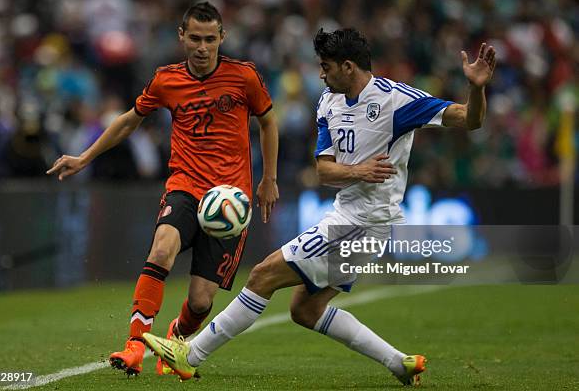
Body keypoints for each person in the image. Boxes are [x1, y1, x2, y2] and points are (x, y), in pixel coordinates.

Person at [143, 27, 496, 386]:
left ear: (347, 66)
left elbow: (471, 119)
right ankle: (398, 362)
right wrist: (358, 170)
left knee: (263, 275)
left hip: (365, 223)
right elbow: (324, 171)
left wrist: (477, 87)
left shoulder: (397, 100)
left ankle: (190, 354)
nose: (321, 74)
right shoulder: (329, 102)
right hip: (347, 215)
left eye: (326, 66)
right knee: (305, 310)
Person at [46, 1, 279, 376]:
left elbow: (269, 123)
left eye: (210, 39)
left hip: (229, 201)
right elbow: (128, 121)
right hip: (184, 185)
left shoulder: (244, 77)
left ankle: (175, 337)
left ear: (223, 38)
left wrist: (269, 179)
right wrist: (84, 157)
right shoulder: (165, 80)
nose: (202, 48)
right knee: (162, 247)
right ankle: (135, 345)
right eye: (195, 39)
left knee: (201, 301)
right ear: (182, 37)